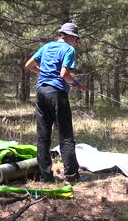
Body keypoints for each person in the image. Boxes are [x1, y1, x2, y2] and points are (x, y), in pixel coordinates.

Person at [25, 22, 86, 183]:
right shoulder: (69, 49)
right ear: (70, 36)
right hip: (57, 93)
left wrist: (43, 72)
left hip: (41, 92)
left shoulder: (46, 47)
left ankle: (45, 176)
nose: (76, 42)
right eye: (76, 39)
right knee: (65, 135)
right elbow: (64, 74)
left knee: (43, 137)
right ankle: (71, 177)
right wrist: (77, 85)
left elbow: (29, 65)